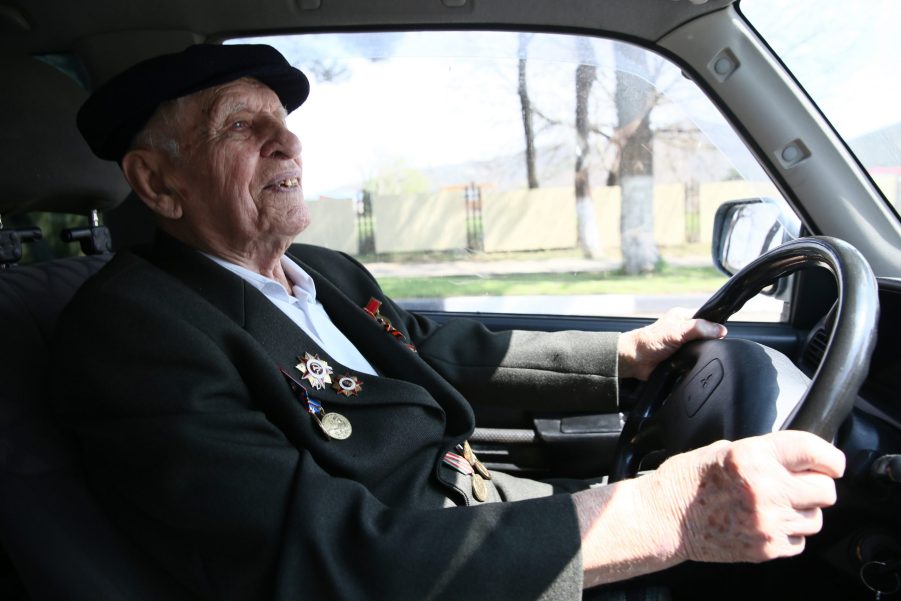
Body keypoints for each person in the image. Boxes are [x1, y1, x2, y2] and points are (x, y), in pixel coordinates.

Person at [54, 43, 845, 600]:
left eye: (281, 121)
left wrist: (625, 352)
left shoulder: (322, 269)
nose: (286, 139)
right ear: (157, 182)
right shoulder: (135, 329)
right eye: (239, 126)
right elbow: (322, 561)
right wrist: (665, 512)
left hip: (481, 506)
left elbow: (426, 350)